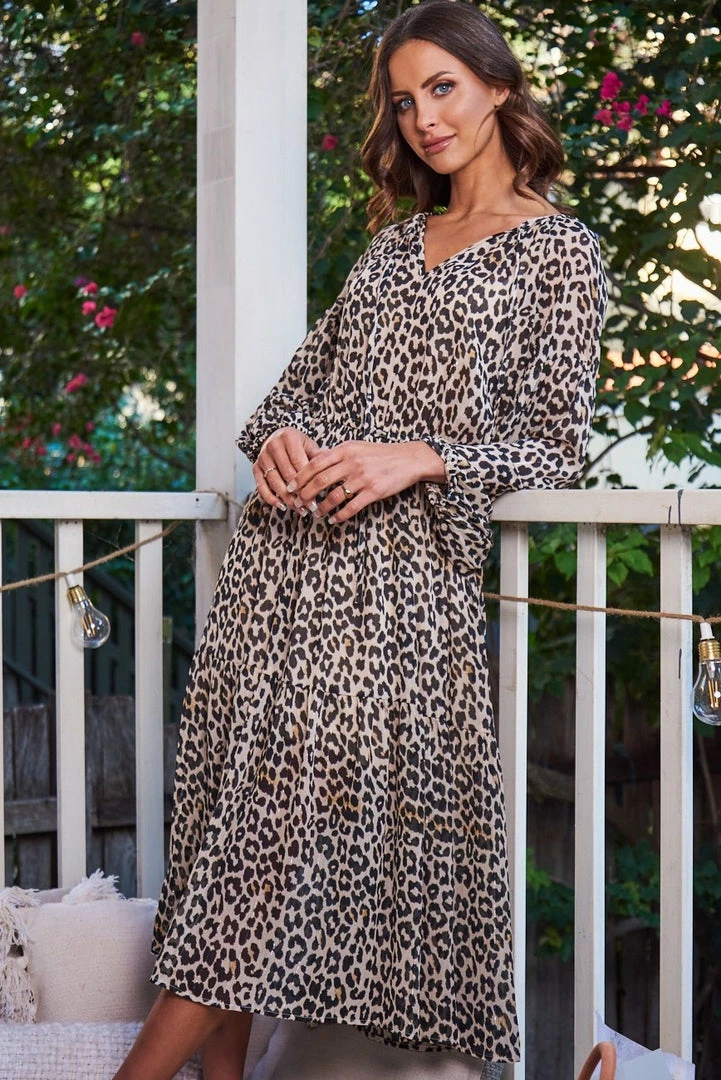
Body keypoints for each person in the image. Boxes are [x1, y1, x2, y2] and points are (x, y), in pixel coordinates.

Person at [113, 2, 607, 1078]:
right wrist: (281, 441)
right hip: (278, 577)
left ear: (497, 87)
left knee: (261, 860)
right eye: (403, 98)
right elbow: (287, 400)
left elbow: (555, 447)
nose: (424, 117)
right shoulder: (389, 252)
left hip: (397, 607)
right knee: (225, 839)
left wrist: (419, 455)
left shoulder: (560, 253)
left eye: (443, 87)